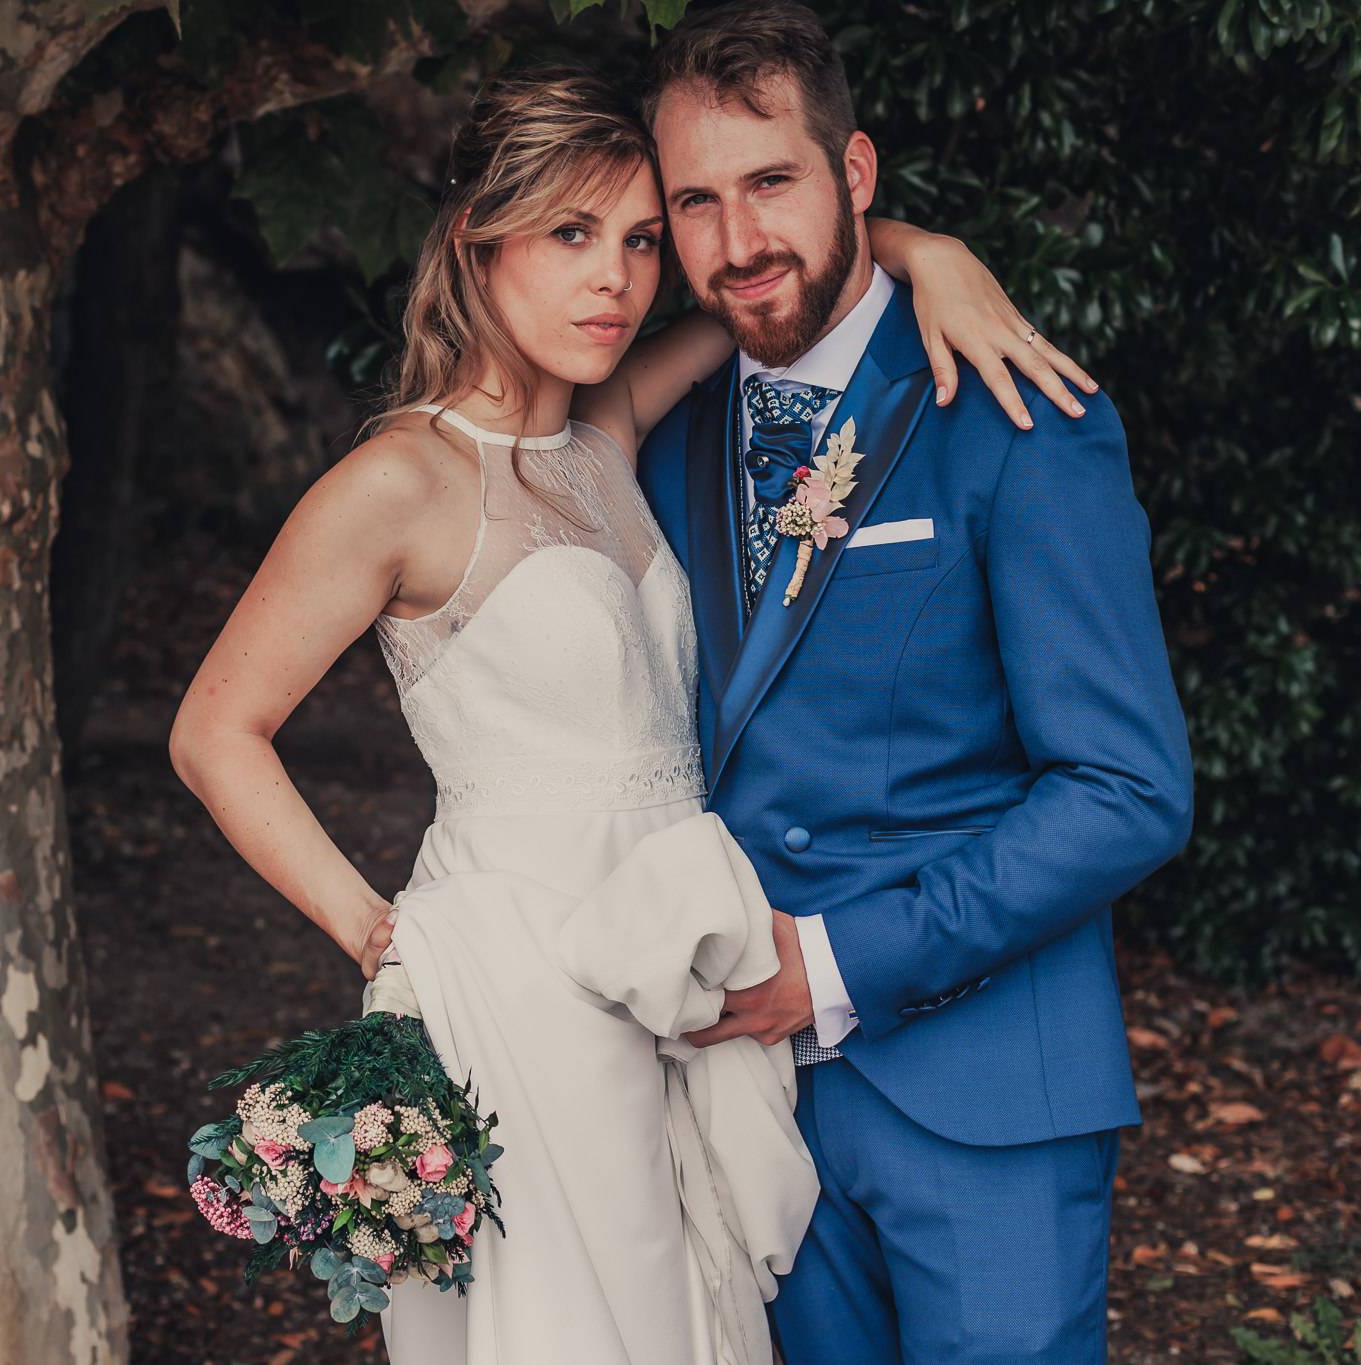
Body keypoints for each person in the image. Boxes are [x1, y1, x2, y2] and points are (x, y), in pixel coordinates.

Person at [169, 61, 1107, 1365]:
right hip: (518, 975)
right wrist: (381, 936)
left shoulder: (607, 432)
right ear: (474, 241)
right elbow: (214, 730)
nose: (616, 276)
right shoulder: (402, 478)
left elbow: (775, 282)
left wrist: (926, 250)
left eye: (639, 239)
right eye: (570, 235)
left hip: (679, 963)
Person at [627, 5, 1196, 1364]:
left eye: (772, 181)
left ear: (857, 174)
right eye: (695, 202)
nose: (738, 240)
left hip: (983, 1091)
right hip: (740, 1104)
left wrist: (828, 964)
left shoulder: (1016, 419)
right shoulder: (660, 440)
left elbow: (1127, 791)